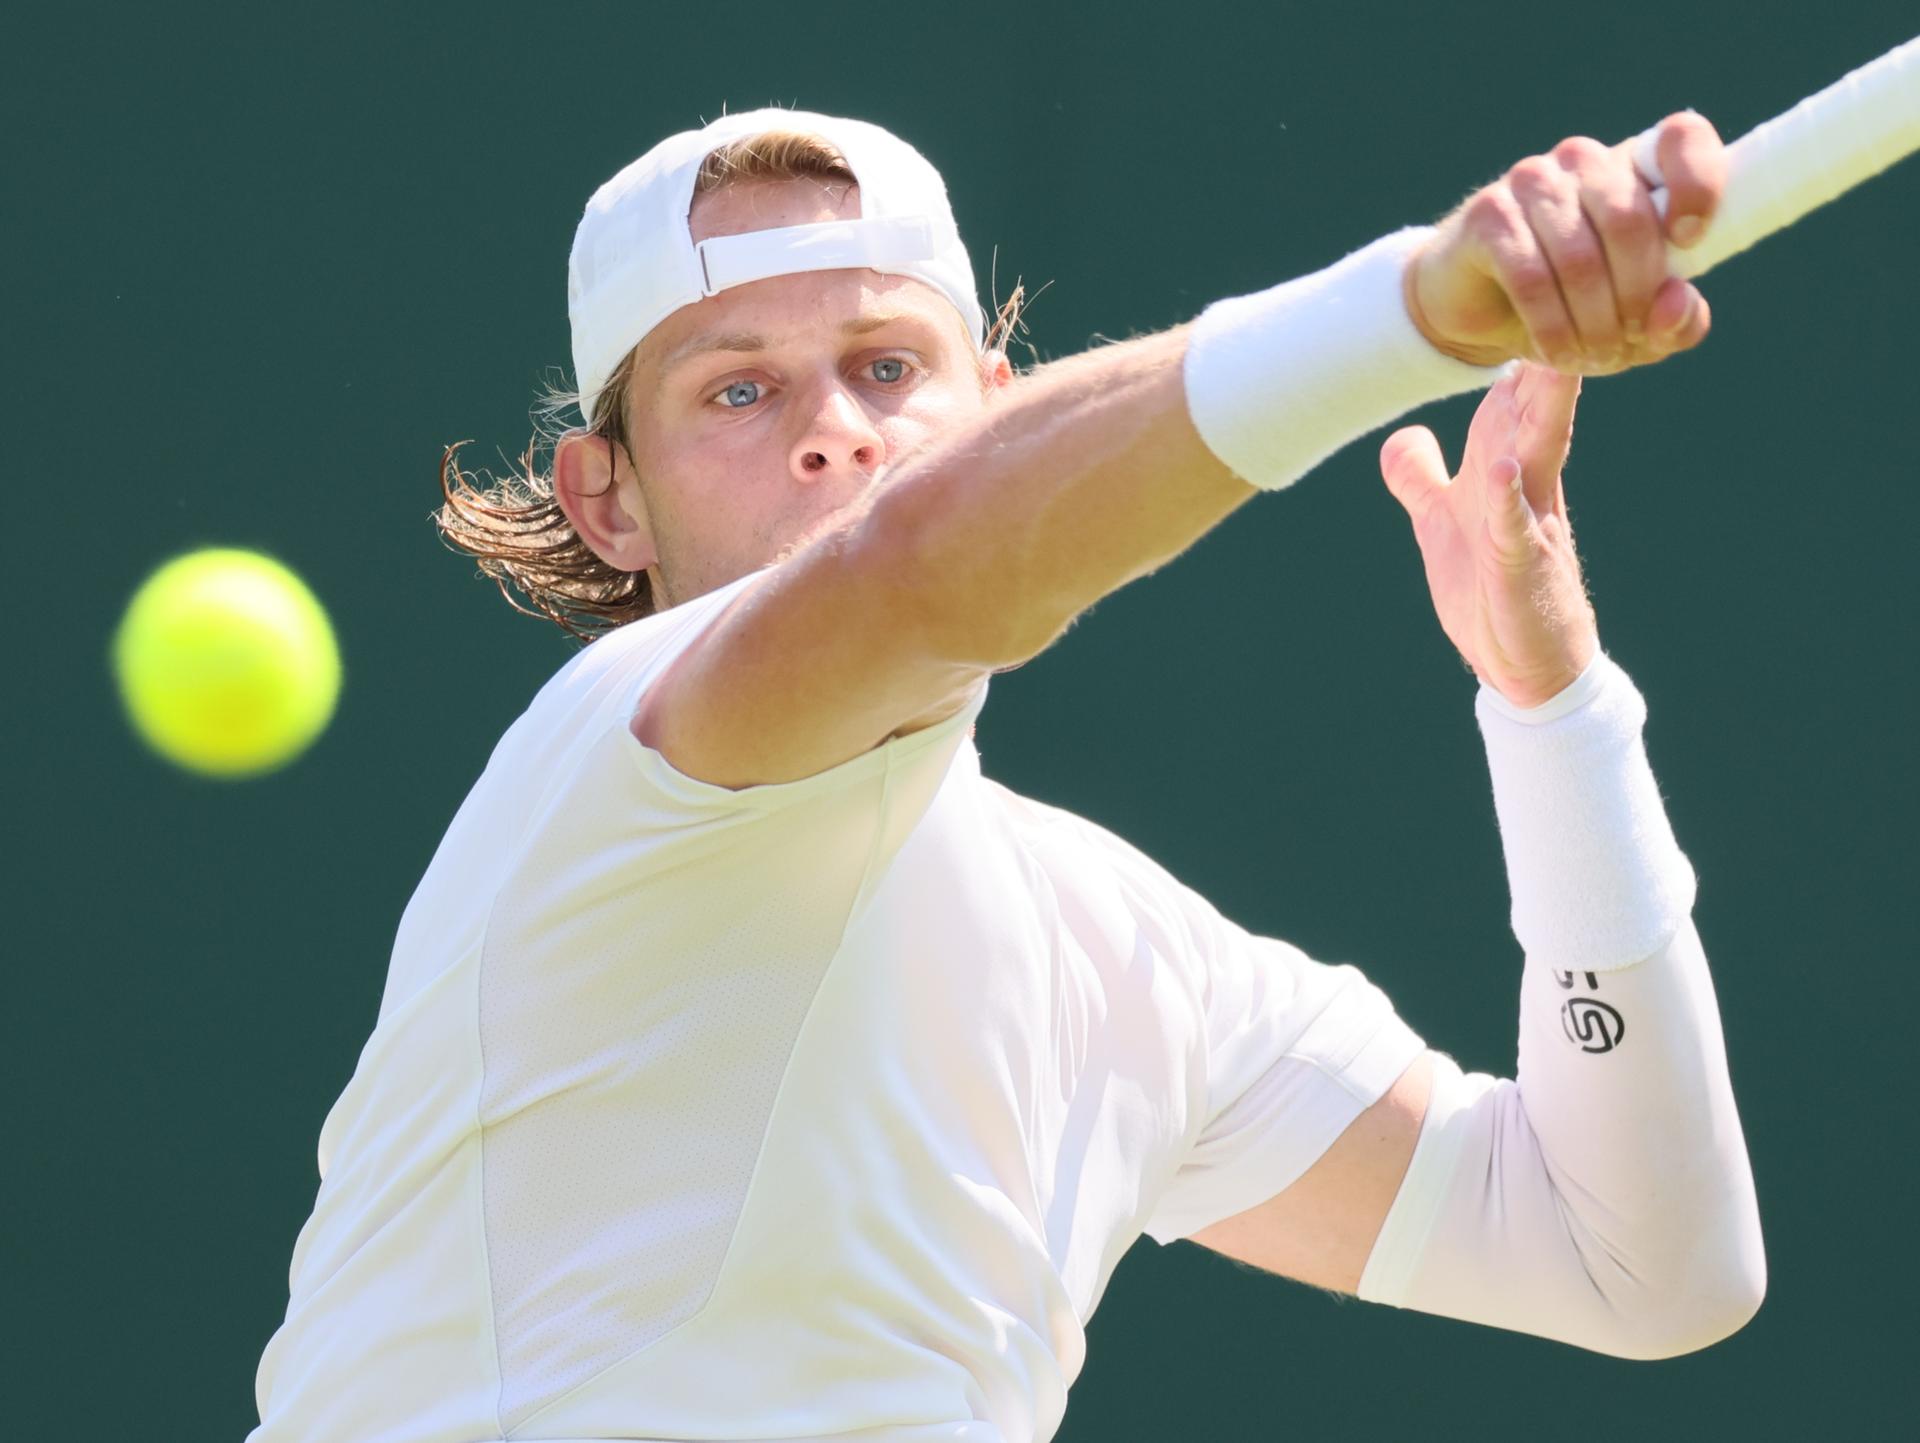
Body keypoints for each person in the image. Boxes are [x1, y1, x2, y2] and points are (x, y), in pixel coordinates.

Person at [249, 109, 1764, 1443]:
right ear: (609, 500)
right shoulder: (621, 745)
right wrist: (1411, 314)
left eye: (885, 368)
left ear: (991, 402)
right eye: (738, 393)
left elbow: (1635, 1263)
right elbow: (921, 571)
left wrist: (1555, 711)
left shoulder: (1119, 949)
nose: (835, 436)